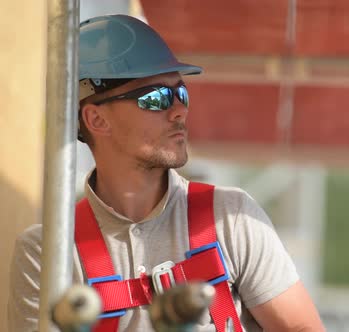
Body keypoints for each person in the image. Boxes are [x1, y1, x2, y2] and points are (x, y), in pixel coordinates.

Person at [8, 14, 325, 332]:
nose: (179, 110)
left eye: (181, 93)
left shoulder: (230, 219)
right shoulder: (46, 253)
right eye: (155, 98)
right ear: (96, 119)